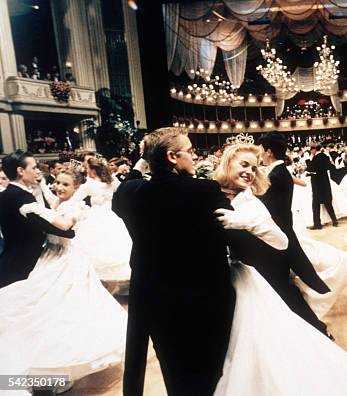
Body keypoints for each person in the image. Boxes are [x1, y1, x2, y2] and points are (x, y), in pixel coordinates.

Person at [212, 142, 347, 396]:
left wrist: (244, 222)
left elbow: (281, 241)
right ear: (228, 164)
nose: (249, 172)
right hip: (222, 279)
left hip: (251, 276)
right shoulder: (211, 192)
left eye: (254, 168)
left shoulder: (251, 203)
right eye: (243, 165)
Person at [113, 128, 236, 395]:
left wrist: (143, 160)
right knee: (209, 372)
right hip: (204, 298)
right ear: (172, 157)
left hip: (155, 300)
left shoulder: (129, 193)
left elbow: (128, 183)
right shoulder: (204, 190)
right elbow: (233, 236)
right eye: (189, 152)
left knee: (175, 373)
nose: (194, 157)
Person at [0, 167, 127, 392]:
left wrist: (36, 210)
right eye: (57, 182)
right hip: (48, 256)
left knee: (64, 314)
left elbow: (65, 225)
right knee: (41, 309)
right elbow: (49, 206)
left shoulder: (76, 206)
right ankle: (43, 370)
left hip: (67, 262)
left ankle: (58, 369)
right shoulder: (57, 202)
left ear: (77, 187)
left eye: (66, 184)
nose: (59, 187)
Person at [254, 133, 331, 334]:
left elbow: (266, 206)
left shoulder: (277, 174)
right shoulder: (277, 171)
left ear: (268, 151)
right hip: (279, 235)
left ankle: (316, 328)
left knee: (285, 287)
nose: (260, 153)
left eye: (261, 149)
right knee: (284, 286)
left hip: (278, 238)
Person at [0, 151, 75, 288]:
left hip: (13, 257)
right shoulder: (20, 197)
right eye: (34, 167)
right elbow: (55, 227)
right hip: (22, 262)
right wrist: (73, 222)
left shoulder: (6, 194)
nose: (37, 171)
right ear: (20, 171)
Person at [70, 157, 132, 284]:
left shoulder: (88, 185)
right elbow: (122, 190)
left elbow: (73, 200)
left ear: (92, 170)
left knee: (93, 244)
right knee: (114, 243)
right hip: (112, 216)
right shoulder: (111, 181)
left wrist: (81, 208)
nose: (86, 170)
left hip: (95, 217)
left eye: (87, 168)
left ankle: (94, 280)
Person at [306, 142, 338, 230]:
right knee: (328, 203)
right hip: (325, 182)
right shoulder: (325, 156)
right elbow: (330, 167)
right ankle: (334, 220)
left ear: (314, 149)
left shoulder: (315, 158)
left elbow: (310, 169)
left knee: (315, 205)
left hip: (317, 184)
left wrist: (309, 161)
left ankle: (317, 224)